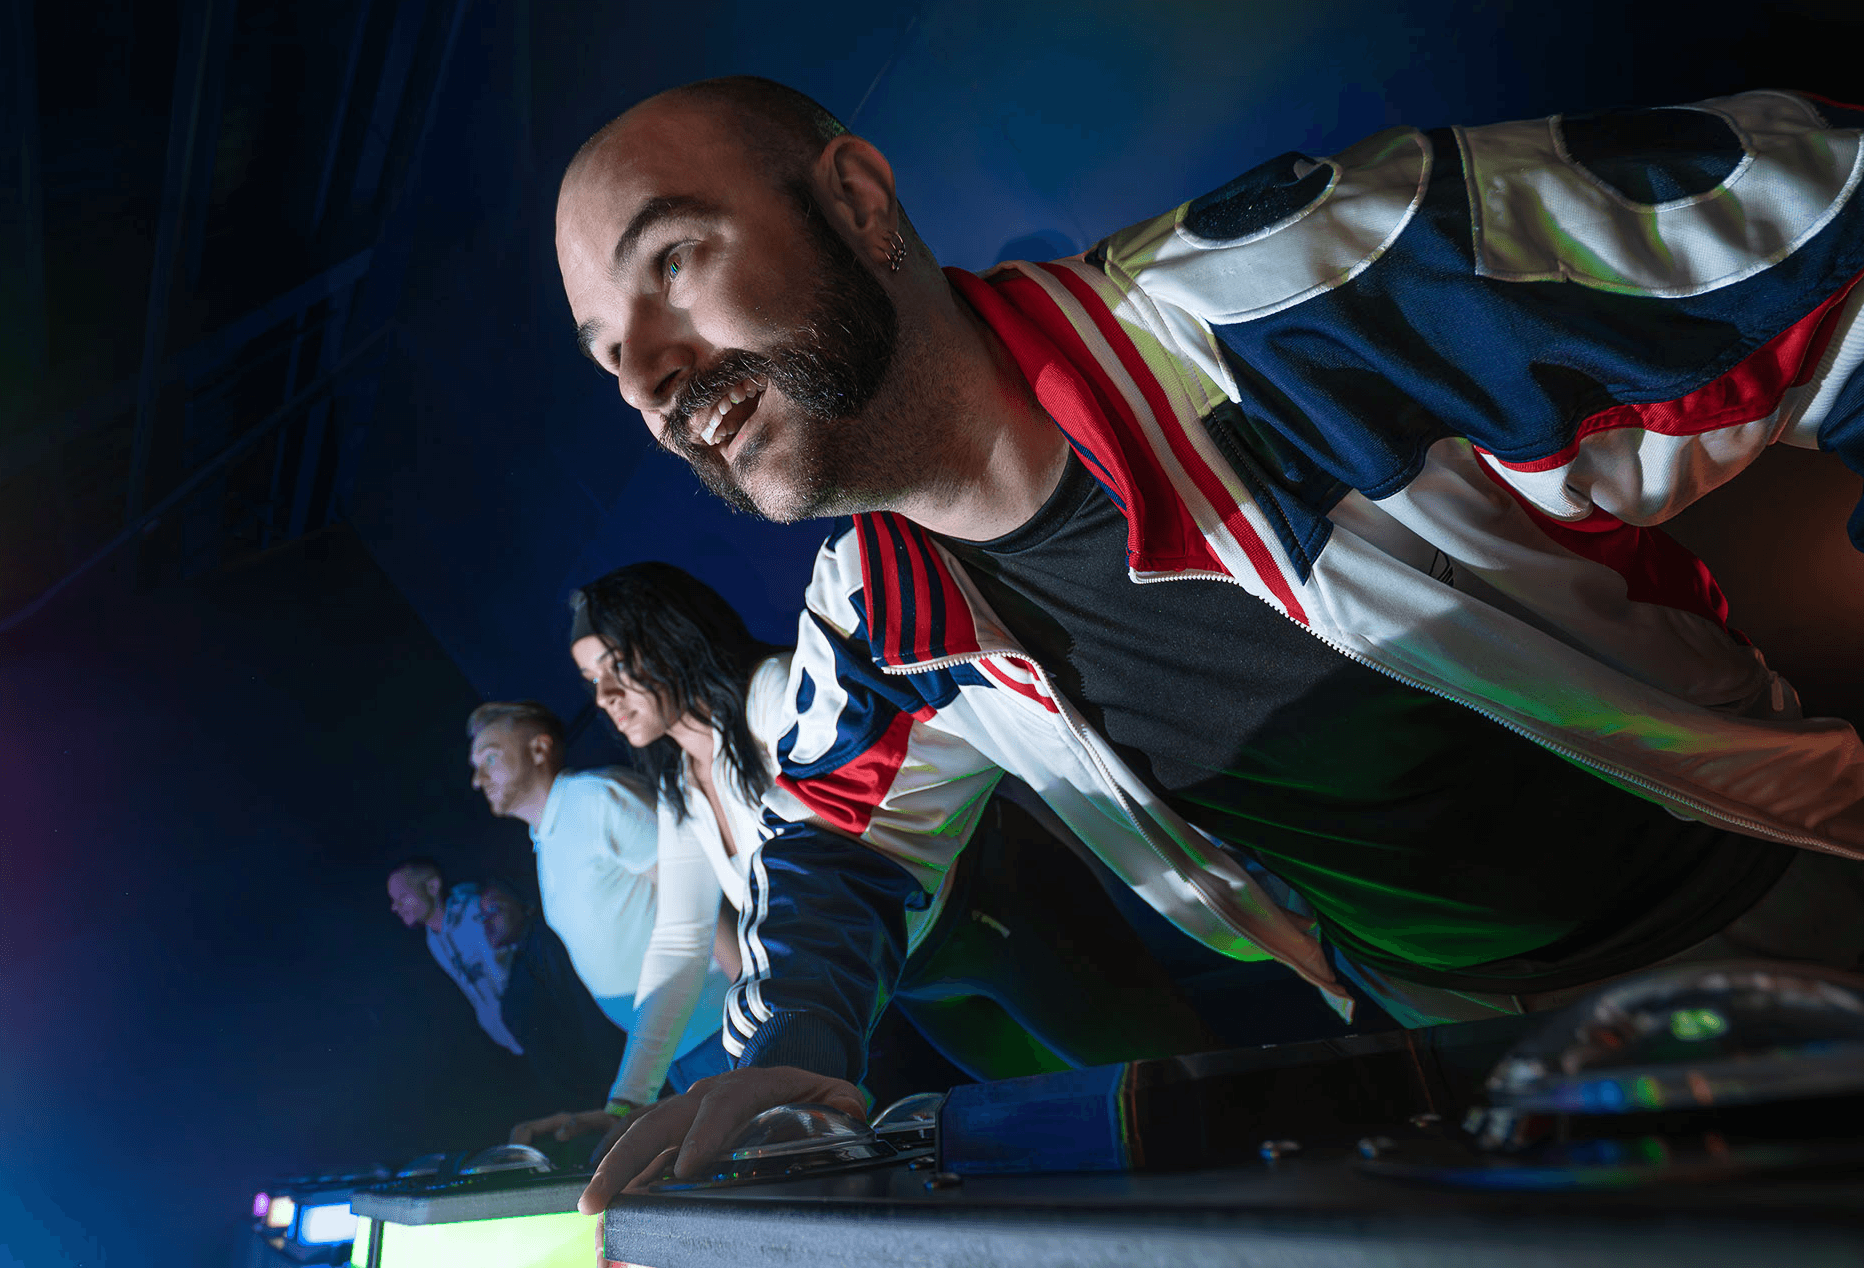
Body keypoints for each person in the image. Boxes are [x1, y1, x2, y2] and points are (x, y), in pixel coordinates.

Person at [553, 77, 1864, 1205]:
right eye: (608, 354)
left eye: (671, 261)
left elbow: (1833, 219)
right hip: (1460, 1053)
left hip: (1778, 906)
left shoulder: (1294, 303)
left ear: (856, 201)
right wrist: (798, 1040)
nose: (648, 377)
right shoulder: (878, 617)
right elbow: (839, 841)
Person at [567, 561, 1228, 1093]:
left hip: (995, 909)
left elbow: (848, 837)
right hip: (914, 974)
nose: (603, 697)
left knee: (1174, 1082)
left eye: (616, 667)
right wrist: (627, 1100)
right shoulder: (682, 783)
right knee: (1052, 1123)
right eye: (591, 679)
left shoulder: (772, 693)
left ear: (670, 638)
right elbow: (680, 939)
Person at [465, 700, 733, 1148]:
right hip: (677, 1048)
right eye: (475, 766)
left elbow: (700, 895)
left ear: (539, 749)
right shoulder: (546, 836)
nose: (478, 779)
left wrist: (766, 1010)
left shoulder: (595, 798)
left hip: (721, 1027)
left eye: (490, 757)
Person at [478, 879, 629, 1114]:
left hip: (600, 1085)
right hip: (579, 1092)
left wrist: (613, 1086)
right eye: (482, 916)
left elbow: (583, 1011)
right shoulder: (523, 954)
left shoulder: (546, 943)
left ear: (525, 906)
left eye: (495, 910)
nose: (487, 922)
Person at [384, 858, 522, 1057]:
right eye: (393, 901)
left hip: (533, 1022)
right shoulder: (433, 939)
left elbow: (508, 975)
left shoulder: (475, 911)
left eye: (402, 897)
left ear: (432, 886)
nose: (395, 907)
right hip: (510, 1039)